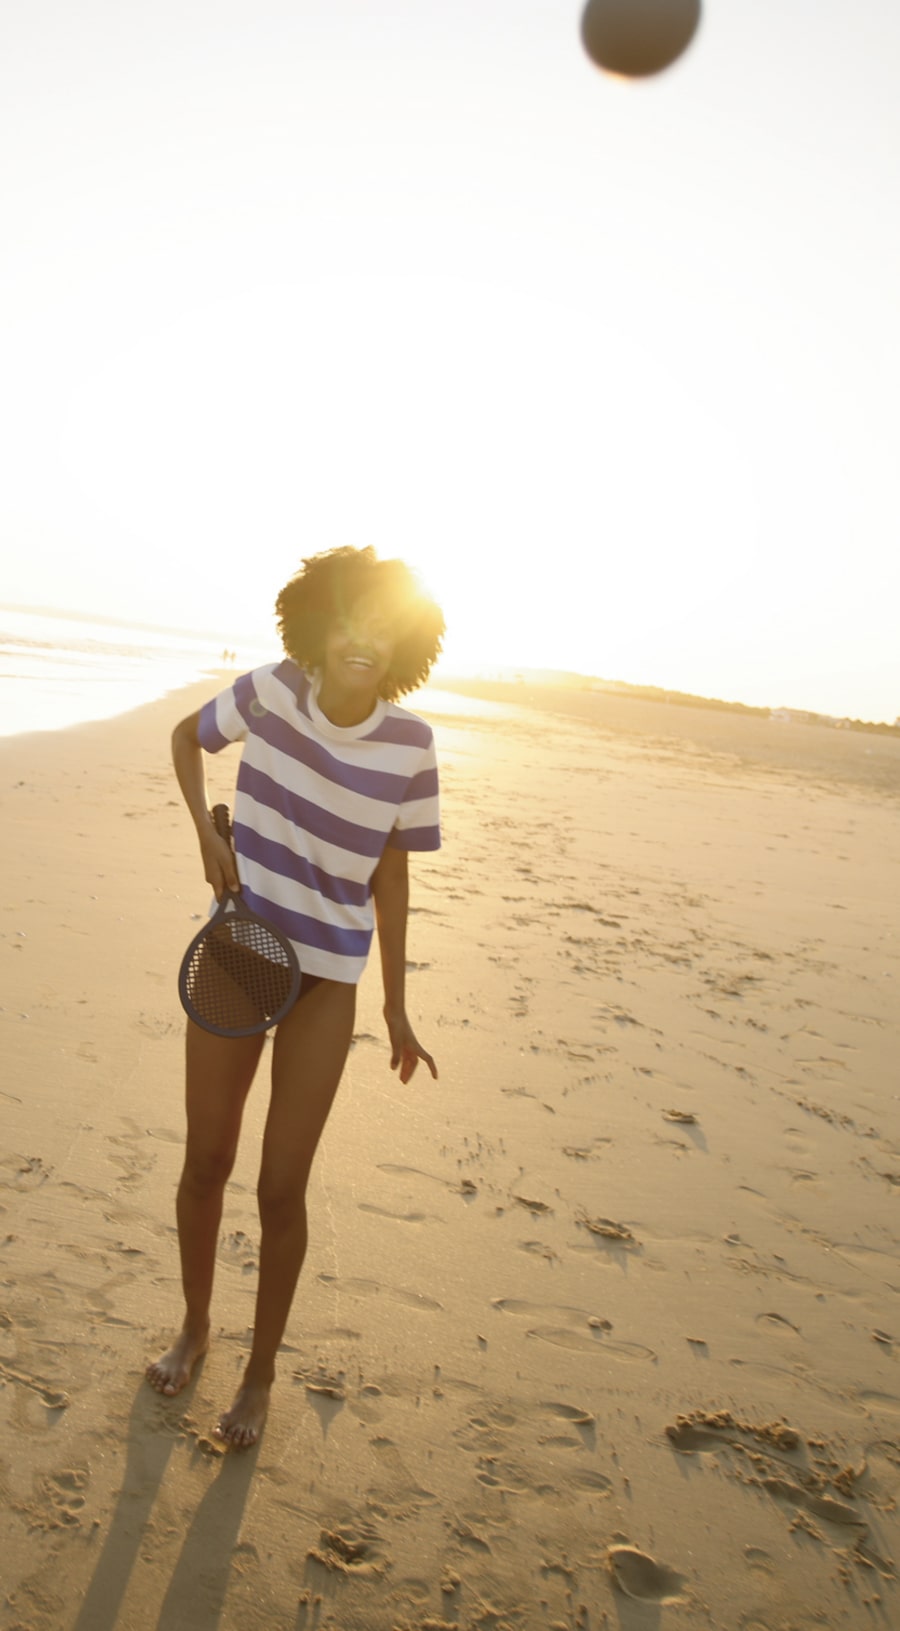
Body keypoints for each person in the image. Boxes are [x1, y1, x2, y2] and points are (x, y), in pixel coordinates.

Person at [146, 546, 444, 1447]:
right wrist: (207, 835)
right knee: (207, 1162)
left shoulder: (411, 746)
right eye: (350, 621)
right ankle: (196, 1326)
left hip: (327, 983)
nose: (364, 641)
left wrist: (395, 1003)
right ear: (320, 626)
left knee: (282, 1188)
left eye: (383, 627)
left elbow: (391, 877)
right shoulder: (272, 691)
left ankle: (260, 1374)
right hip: (239, 952)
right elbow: (184, 740)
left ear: (405, 643)